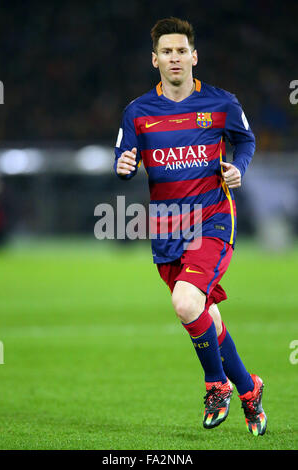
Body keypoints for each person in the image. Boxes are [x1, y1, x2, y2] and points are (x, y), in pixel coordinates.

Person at [114, 17, 267, 436]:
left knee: (185, 304)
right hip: (166, 229)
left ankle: (216, 385)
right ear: (155, 59)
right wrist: (124, 166)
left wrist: (238, 167)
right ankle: (249, 388)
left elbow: (246, 141)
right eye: (167, 51)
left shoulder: (221, 103)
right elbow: (123, 159)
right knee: (206, 317)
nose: (175, 57)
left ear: (194, 56)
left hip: (213, 220)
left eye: (181, 50)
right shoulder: (137, 112)